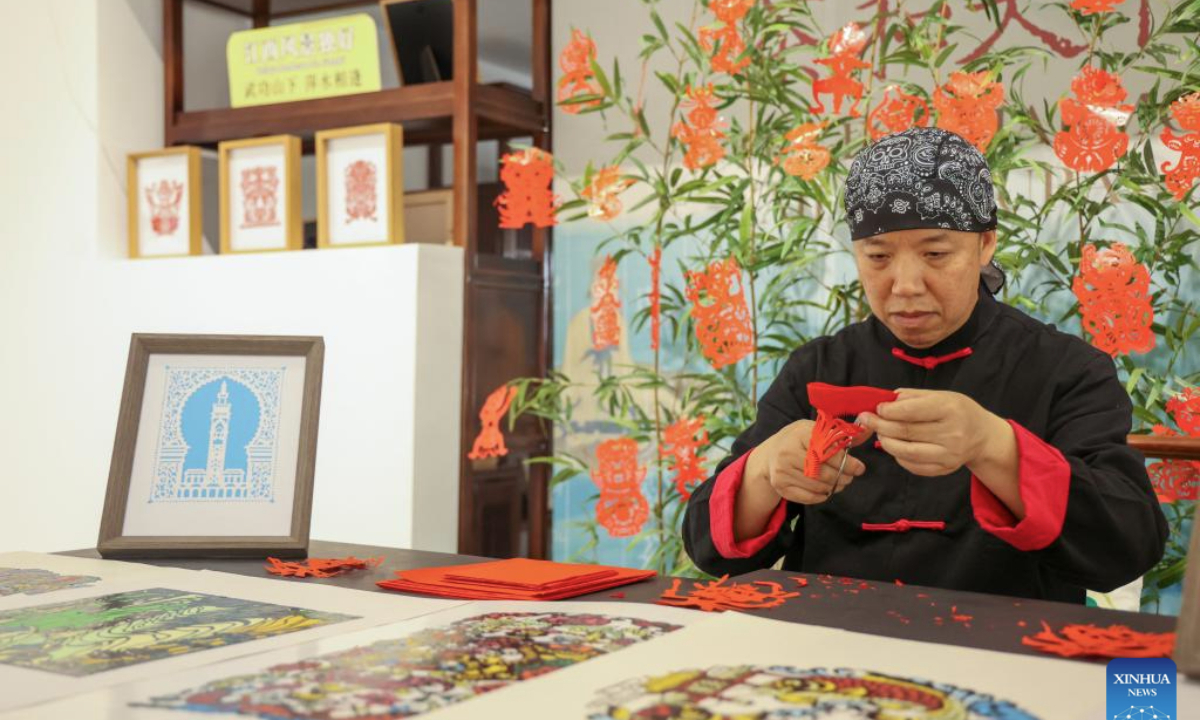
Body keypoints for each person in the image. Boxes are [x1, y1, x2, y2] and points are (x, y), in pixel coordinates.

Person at [682, 126, 1167, 603]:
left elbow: (1128, 546)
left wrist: (993, 446)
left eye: (936, 253)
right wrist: (764, 472)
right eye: (878, 256)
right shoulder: (820, 366)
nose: (906, 284)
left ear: (985, 244)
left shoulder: (1067, 371)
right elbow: (708, 548)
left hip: (1006, 653)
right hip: (831, 650)